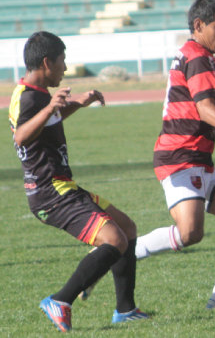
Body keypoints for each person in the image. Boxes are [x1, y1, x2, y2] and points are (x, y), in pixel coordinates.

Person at [8, 31, 148, 333]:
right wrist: (50, 107)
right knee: (115, 240)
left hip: (62, 187)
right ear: (47, 62)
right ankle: (61, 300)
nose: (65, 68)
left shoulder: (33, 92)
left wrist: (75, 104)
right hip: (51, 193)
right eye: (62, 61)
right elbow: (21, 135)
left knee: (126, 228)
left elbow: (46, 123)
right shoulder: (33, 98)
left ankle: (125, 309)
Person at [133, 0, 215, 309]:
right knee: (190, 232)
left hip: (198, 160)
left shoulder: (199, 56)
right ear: (199, 25)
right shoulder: (198, 57)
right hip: (180, 156)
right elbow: (206, 111)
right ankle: (119, 251)